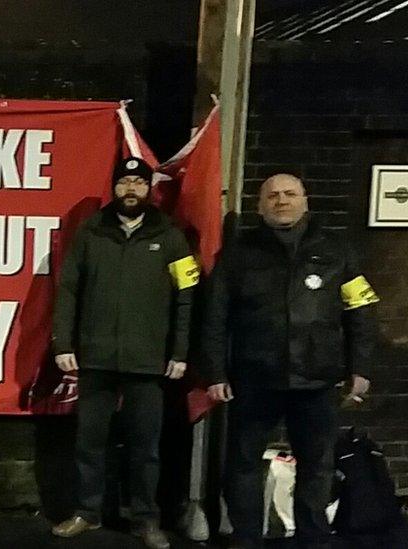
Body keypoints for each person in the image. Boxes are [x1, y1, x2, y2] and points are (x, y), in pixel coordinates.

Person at [200, 173, 378, 549]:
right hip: (254, 379)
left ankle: (313, 539)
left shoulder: (337, 251)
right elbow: (214, 317)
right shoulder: (238, 253)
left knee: (317, 467)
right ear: (261, 204)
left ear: (305, 200)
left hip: (316, 380)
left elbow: (360, 311)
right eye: (273, 195)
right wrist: (215, 371)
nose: (282, 201)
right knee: (244, 465)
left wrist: (360, 368)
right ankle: (245, 538)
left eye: (290, 194)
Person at [50, 156, 199, 549]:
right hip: (94, 357)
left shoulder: (171, 236)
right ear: (113, 188)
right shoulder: (90, 232)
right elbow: (67, 291)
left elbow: (187, 298)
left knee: (145, 448)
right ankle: (86, 511)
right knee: (88, 442)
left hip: (148, 362)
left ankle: (146, 520)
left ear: (149, 189)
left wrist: (179, 352)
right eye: (123, 183)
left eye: (138, 182)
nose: (130, 189)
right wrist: (63, 344)